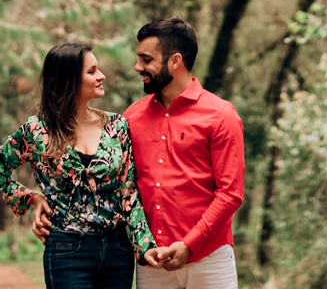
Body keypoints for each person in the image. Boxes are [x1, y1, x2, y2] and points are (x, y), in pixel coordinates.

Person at [33, 17, 245, 288]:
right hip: (153, 261)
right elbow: (113, 185)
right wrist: (40, 201)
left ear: (175, 61)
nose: (138, 67)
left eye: (146, 59)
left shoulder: (221, 116)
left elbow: (230, 194)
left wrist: (189, 245)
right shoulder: (131, 118)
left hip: (210, 261)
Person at [0, 42, 163, 289]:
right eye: (92, 71)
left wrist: (145, 245)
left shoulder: (117, 126)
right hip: (67, 250)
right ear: (69, 79)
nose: (102, 76)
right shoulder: (37, 131)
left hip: (117, 251)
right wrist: (32, 198)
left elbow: (128, 193)